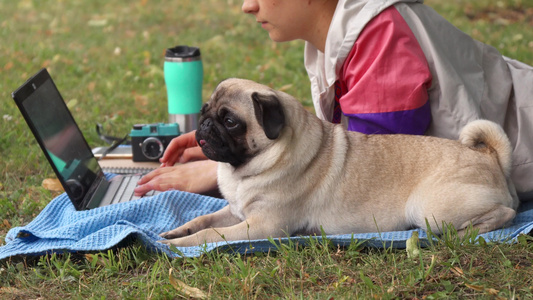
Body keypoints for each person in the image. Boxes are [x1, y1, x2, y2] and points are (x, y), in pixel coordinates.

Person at [135, 0, 533, 199]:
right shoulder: (347, 30)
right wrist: (224, 147)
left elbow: (370, 166)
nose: (247, 6)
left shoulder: (378, 37)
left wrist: (222, 174)